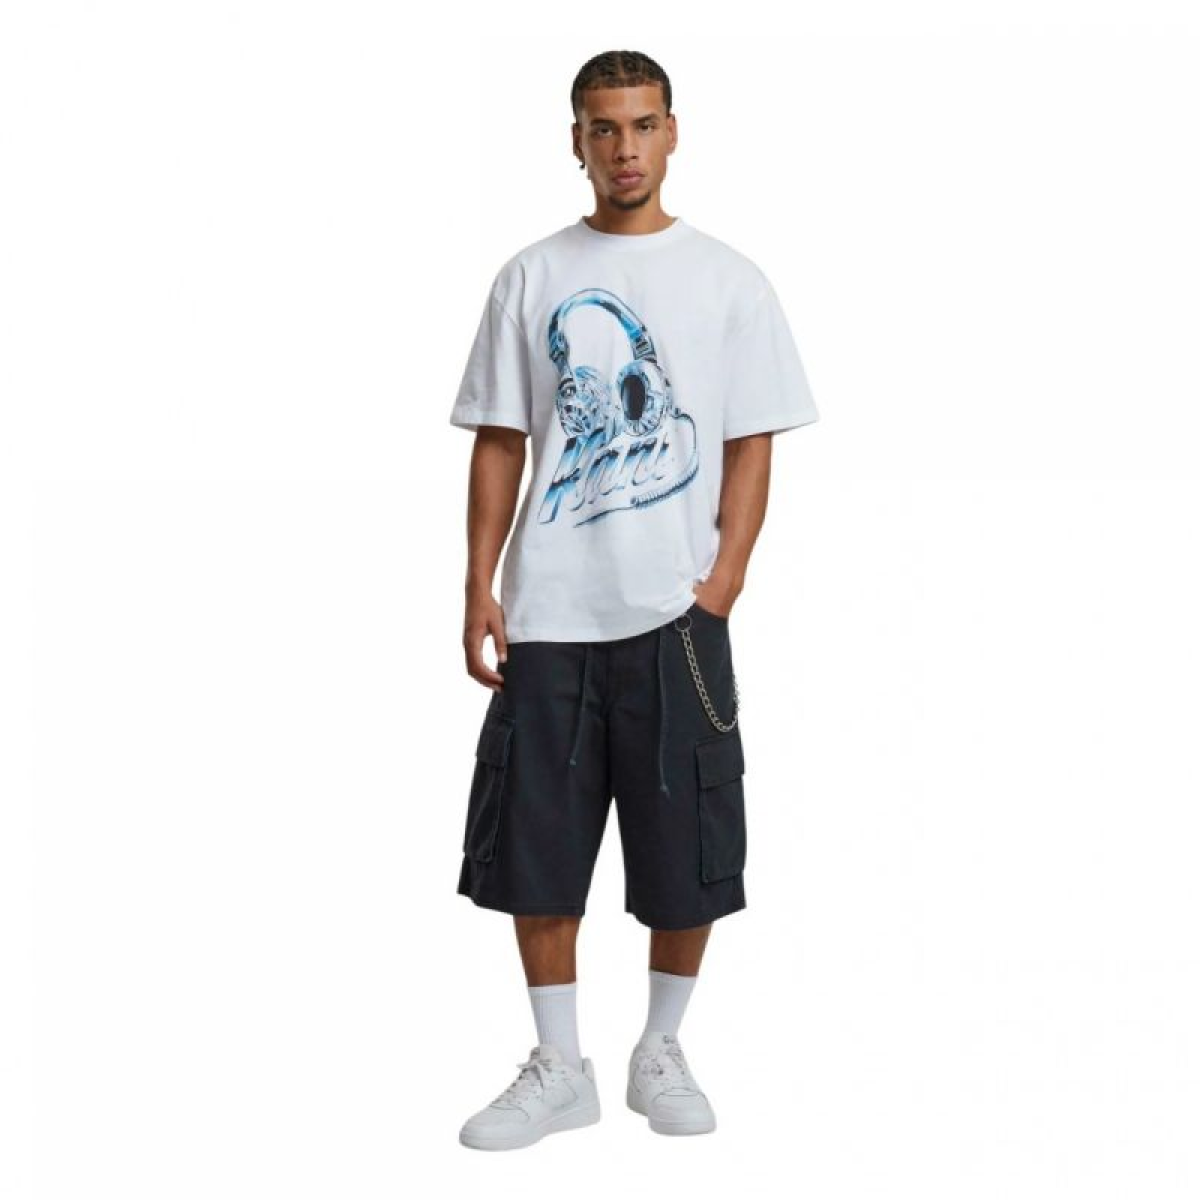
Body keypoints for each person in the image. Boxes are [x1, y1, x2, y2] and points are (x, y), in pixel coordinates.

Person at [449, 49, 819, 1151]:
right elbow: (501, 439)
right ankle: (559, 1065)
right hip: (550, 612)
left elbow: (751, 441)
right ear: (576, 141)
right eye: (603, 128)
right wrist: (478, 581)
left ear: (673, 133)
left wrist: (723, 585)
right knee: (535, 843)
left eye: (643, 125)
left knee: (687, 843)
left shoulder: (730, 282)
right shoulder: (528, 276)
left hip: (677, 618)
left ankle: (660, 1048)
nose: (625, 148)